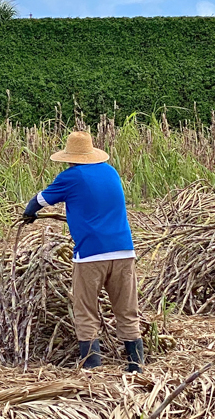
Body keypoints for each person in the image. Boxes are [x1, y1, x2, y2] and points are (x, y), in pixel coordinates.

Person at [22, 130, 144, 372]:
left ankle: (92, 367)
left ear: (70, 157)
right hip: (123, 251)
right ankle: (136, 365)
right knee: (127, 310)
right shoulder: (111, 172)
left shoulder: (71, 176)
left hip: (91, 254)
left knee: (86, 310)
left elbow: (40, 200)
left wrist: (28, 214)